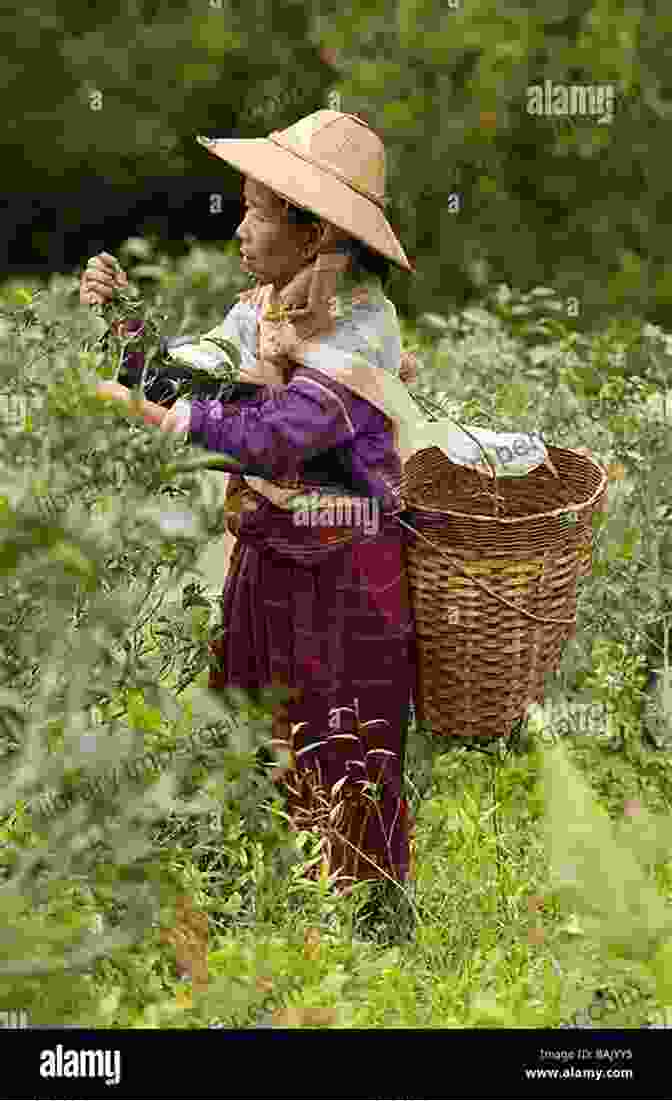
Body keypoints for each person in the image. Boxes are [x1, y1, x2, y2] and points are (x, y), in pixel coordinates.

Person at [81, 110, 422, 917]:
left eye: (258, 210)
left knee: (344, 743)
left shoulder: (364, 326)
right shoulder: (263, 308)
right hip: (268, 557)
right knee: (250, 728)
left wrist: (176, 424)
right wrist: (125, 326)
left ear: (314, 232)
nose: (240, 225)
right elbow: (185, 376)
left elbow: (284, 430)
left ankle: (360, 932)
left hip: (345, 575)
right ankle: (263, 909)